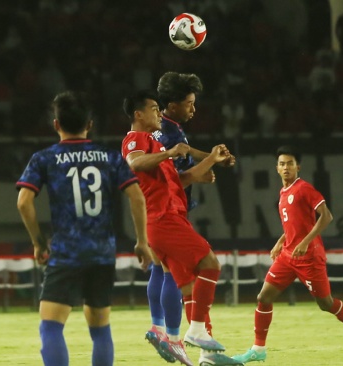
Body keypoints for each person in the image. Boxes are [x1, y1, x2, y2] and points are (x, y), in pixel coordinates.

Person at [16, 91, 152, 366]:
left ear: (56, 125)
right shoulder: (110, 157)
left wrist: (39, 242)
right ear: (90, 124)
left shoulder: (45, 158)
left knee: (51, 326)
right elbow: (137, 197)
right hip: (102, 252)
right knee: (100, 329)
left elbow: (24, 202)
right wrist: (142, 241)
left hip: (66, 251)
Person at [122, 90, 242, 366]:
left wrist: (210, 161)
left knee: (188, 287)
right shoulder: (135, 139)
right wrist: (172, 153)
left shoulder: (156, 146)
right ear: (138, 114)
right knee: (210, 264)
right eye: (154, 109)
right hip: (164, 219)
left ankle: (208, 356)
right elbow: (134, 163)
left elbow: (180, 179)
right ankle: (193, 331)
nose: (158, 113)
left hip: (168, 218)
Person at [232, 145, 343, 363]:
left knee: (325, 303)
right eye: (282, 164)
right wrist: (281, 242)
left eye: (290, 163)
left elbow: (326, 216)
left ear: (298, 166)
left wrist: (306, 242)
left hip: (309, 257)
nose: (286, 167)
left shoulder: (304, 189)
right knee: (263, 297)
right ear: (277, 168)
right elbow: (295, 224)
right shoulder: (283, 193)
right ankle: (258, 349)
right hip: (288, 256)